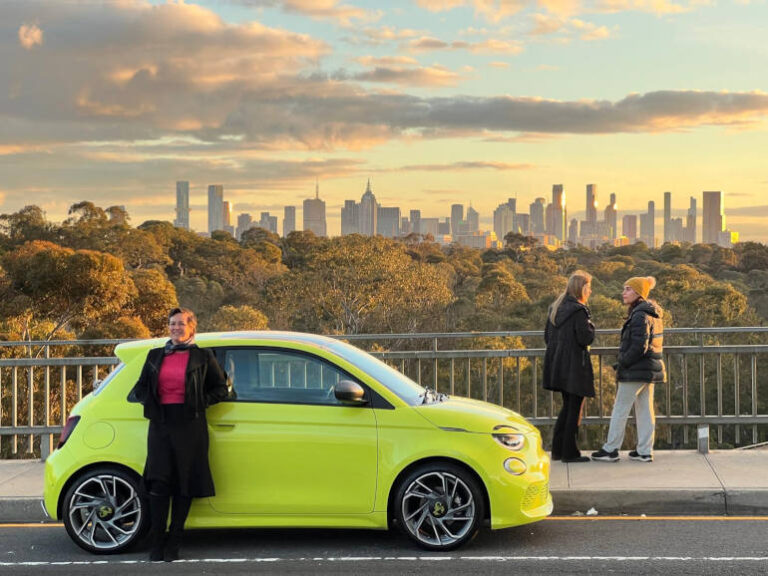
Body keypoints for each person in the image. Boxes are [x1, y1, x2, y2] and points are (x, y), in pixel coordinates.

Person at [129, 307, 228, 562]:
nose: (175, 328)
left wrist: (198, 402)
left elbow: (220, 389)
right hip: (161, 424)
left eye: (181, 324)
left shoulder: (203, 357)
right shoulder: (154, 356)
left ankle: (175, 540)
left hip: (190, 425)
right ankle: (157, 540)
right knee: (159, 483)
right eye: (172, 324)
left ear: (191, 328)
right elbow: (139, 388)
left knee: (184, 483)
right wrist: (149, 400)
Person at [592, 277, 665, 463]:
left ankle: (611, 449)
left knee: (620, 409)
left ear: (639, 293)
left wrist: (622, 362)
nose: (623, 293)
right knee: (645, 410)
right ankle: (644, 451)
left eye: (628, 289)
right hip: (649, 368)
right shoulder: (652, 314)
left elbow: (639, 345)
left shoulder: (640, 315)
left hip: (636, 369)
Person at [542, 270, 595, 463]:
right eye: (588, 287)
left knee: (567, 407)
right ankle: (569, 453)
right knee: (575, 409)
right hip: (574, 366)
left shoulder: (556, 308)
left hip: (558, 365)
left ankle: (558, 450)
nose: (590, 290)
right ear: (581, 288)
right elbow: (585, 337)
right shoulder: (579, 311)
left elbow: (547, 337)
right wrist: (591, 326)